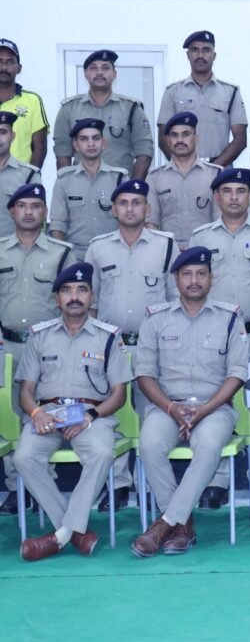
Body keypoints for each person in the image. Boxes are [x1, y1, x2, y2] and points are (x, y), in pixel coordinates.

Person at [130, 246, 249, 558]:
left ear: (211, 278)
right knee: (150, 444)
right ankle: (182, 525)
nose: (194, 280)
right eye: (187, 274)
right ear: (176, 279)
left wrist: (204, 410)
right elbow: (144, 374)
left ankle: (165, 523)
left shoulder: (229, 318)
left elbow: (237, 374)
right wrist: (171, 408)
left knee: (208, 445)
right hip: (166, 407)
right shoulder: (156, 318)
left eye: (201, 274)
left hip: (214, 408)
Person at [14, 261, 132, 561]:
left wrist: (91, 416)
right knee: (24, 457)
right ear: (57, 298)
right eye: (67, 291)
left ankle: (61, 536)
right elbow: (25, 391)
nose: (74, 296)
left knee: (102, 454)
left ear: (92, 296)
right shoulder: (39, 335)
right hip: (48, 412)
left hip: (92, 414)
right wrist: (37, 413)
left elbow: (119, 394)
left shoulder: (108, 336)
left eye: (82, 290)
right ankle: (74, 530)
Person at [191, 167, 250, 509]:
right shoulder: (201, 237)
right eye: (227, 191)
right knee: (216, 403)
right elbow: (193, 288)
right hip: (214, 335)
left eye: (241, 191)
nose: (234, 197)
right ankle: (217, 479)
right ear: (217, 197)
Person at [86, 179, 177, 511]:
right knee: (113, 415)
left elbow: (176, 299)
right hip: (111, 346)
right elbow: (91, 301)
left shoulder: (166, 245)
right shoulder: (98, 248)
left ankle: (151, 483)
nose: (129, 209)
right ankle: (119, 483)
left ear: (147, 209)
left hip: (153, 347)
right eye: (123, 203)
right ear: (113, 209)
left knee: (152, 414)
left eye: (136, 203)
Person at [0, 184, 76, 514]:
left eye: (35, 206)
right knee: (9, 417)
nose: (29, 212)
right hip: (7, 346)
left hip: (48, 347)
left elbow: (74, 300)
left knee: (47, 414)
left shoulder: (61, 252)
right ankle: (17, 487)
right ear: (12, 212)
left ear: (45, 213)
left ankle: (44, 483)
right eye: (22, 206)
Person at [53, 49, 154, 179]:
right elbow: (62, 153)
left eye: (105, 68)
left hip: (120, 186)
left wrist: (132, 187)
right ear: (85, 74)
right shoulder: (69, 109)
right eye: (93, 68)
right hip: (81, 185)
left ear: (114, 74)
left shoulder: (131, 108)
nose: (99, 72)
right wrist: (68, 184)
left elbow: (145, 151)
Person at [157, 31, 246, 167]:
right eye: (195, 50)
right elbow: (163, 138)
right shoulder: (172, 92)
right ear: (188, 55)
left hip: (221, 171)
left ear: (214, 55)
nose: (200, 55)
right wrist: (183, 165)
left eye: (206, 50)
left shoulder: (231, 92)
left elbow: (240, 139)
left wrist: (214, 168)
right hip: (182, 171)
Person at [48, 118, 128, 258]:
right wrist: (62, 258)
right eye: (84, 139)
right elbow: (58, 225)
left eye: (96, 138)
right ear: (76, 145)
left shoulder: (120, 179)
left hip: (113, 254)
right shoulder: (64, 180)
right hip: (75, 256)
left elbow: (129, 221)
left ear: (103, 143)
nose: (91, 144)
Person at [145, 112, 221, 249]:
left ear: (196, 138)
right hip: (168, 252)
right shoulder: (154, 177)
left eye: (186, 134)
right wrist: (164, 251)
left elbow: (220, 222)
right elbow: (151, 223)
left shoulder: (215, 174)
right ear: (168, 140)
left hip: (205, 251)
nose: (180, 140)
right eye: (174, 135)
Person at [0, 38, 48, 167]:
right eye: (0, 61)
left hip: (20, 177)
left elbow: (40, 148)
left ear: (19, 68)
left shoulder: (32, 101)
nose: (4, 67)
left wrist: (30, 176)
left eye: (10, 62)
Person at [0, 111, 40, 236]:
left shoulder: (28, 175)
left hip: (15, 247)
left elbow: (37, 218)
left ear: (12, 136)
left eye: (3, 132)